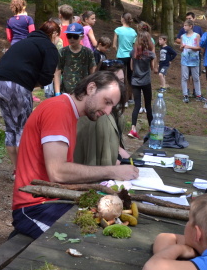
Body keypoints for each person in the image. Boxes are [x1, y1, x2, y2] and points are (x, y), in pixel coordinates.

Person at [11, 71, 139, 239]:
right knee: (92, 240)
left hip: (55, 199)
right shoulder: (58, 110)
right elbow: (57, 172)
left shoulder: (68, 111)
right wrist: (112, 171)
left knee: (107, 223)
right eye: (107, 102)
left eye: (112, 107)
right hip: (33, 206)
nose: (108, 111)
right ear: (91, 88)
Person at [0, 20, 60, 172]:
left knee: (11, 128)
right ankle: (25, 171)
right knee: (23, 128)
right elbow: (47, 77)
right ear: (54, 34)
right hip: (16, 84)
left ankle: (17, 170)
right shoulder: (49, 47)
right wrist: (29, 84)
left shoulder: (24, 42)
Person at [74, 59, 130, 166]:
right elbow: (98, 159)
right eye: (115, 81)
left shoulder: (114, 109)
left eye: (121, 81)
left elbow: (117, 147)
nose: (119, 86)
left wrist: (131, 162)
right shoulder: (96, 113)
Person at [127, 29, 157, 140]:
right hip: (146, 82)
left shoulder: (133, 52)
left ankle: (133, 129)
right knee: (148, 105)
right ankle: (151, 129)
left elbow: (131, 67)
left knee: (137, 105)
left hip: (135, 82)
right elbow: (153, 68)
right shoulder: (150, 54)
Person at [54, 22, 96, 94]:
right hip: (66, 92)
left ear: (82, 37)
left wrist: (92, 91)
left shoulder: (88, 52)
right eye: (69, 36)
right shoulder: (62, 52)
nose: (72, 39)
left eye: (75, 36)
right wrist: (57, 92)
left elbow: (93, 72)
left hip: (83, 92)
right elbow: (57, 72)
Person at [112, 12, 137, 101]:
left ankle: (121, 98)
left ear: (122, 19)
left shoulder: (118, 30)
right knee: (130, 77)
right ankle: (130, 97)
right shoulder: (133, 32)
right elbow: (135, 46)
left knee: (120, 77)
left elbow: (114, 45)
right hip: (131, 57)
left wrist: (118, 51)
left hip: (121, 56)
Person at [180, 19, 203, 104]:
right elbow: (181, 48)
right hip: (185, 60)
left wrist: (190, 47)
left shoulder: (196, 35)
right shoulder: (182, 36)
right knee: (185, 77)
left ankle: (198, 94)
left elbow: (199, 47)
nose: (184, 27)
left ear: (190, 26)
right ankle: (185, 95)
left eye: (185, 25)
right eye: (184, 25)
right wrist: (182, 47)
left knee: (196, 78)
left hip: (194, 60)